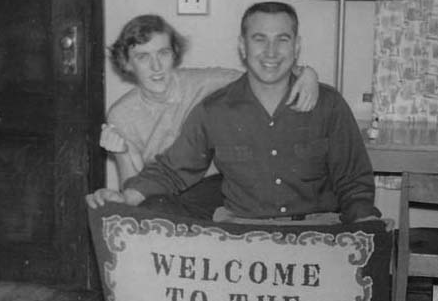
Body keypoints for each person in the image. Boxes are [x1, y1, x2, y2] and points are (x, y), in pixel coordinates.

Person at [87, 1, 379, 226]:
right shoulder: (214, 108)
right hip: (243, 233)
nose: (271, 51)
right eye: (259, 39)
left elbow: (354, 183)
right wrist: (124, 197)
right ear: (242, 46)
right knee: (154, 211)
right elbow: (171, 169)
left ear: (297, 46)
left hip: (317, 231)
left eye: (283, 39)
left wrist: (365, 224)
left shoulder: (328, 104)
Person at [99, 14, 319, 218]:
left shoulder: (205, 82)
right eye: (142, 57)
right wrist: (122, 153)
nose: (156, 66)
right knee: (149, 212)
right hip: (163, 191)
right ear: (127, 63)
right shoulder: (122, 113)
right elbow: (133, 188)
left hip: (216, 185)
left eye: (163, 53)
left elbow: (265, 74)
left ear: (174, 54)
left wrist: (307, 73)